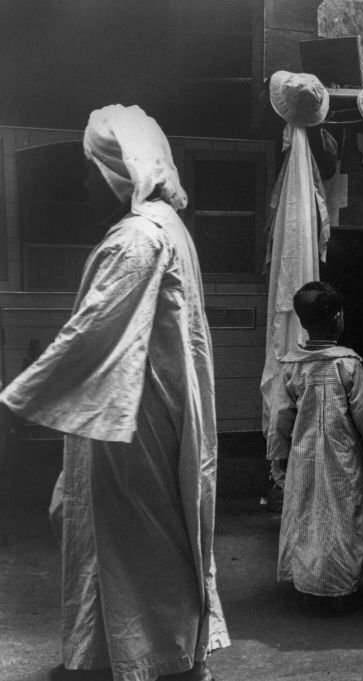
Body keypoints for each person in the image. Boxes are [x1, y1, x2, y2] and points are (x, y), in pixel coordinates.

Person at [0, 105, 227, 680]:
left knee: (127, 538)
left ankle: (144, 657)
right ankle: (127, 651)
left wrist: (16, 399)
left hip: (131, 417)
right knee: (130, 532)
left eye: (89, 171)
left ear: (117, 174)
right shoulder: (166, 226)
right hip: (145, 407)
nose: (83, 185)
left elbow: (92, 332)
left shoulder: (136, 238)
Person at [265, 282, 363, 609]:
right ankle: (344, 581)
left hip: (304, 455)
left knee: (308, 512)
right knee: (344, 513)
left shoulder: (293, 365)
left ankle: (308, 580)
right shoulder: (347, 364)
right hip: (342, 456)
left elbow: (281, 416)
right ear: (338, 317)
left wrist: (278, 455)